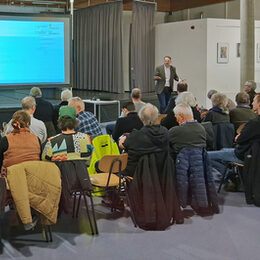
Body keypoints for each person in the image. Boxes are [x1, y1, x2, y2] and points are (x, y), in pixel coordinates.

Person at [119, 103, 182, 229]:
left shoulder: (137, 136)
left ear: (141, 118)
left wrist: (122, 143)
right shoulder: (165, 132)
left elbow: (126, 147)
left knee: (113, 169)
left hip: (141, 174)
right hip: (163, 172)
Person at [42, 106, 93, 215]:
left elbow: (45, 163)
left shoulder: (52, 141)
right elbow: (87, 162)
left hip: (59, 183)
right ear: (75, 121)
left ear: (59, 121)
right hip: (81, 181)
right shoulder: (86, 139)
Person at [208, 93, 260, 176]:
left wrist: (239, 136)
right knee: (223, 151)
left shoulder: (254, 122)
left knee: (206, 155)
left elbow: (239, 140)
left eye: (254, 101)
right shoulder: (253, 117)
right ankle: (232, 175)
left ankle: (229, 175)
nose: (252, 103)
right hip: (250, 153)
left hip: (244, 154)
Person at [0, 110, 41, 175]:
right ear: (28, 123)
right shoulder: (36, 139)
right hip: (33, 177)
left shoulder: (5, 140)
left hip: (11, 179)